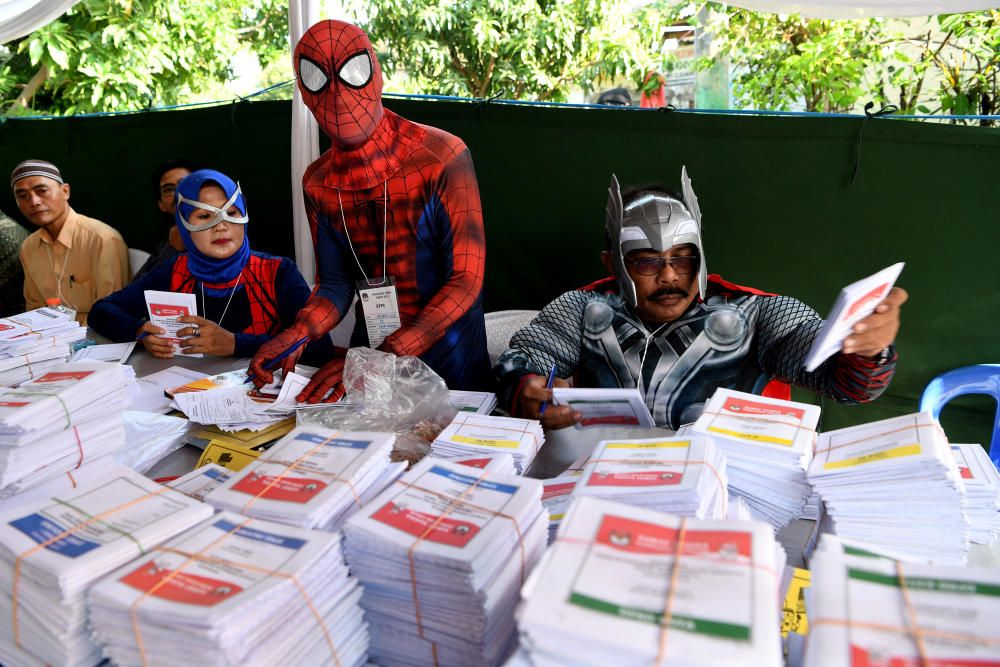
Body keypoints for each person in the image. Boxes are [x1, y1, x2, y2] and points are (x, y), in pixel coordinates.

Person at [495, 170, 908, 430]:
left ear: (702, 257)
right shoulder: (582, 308)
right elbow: (526, 360)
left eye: (682, 258)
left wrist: (867, 349)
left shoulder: (758, 313)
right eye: (646, 261)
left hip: (726, 491)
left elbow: (845, 382)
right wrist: (527, 389)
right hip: (601, 480)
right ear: (614, 262)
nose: (670, 274)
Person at [248, 19, 491, 401]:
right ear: (303, 91)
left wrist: (386, 354)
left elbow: (465, 280)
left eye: (353, 71)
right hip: (371, 366)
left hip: (451, 366)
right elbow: (335, 284)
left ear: (376, 73)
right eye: (317, 78)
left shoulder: (441, 156)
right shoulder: (318, 181)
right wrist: (299, 331)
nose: (338, 94)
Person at [88, 169, 334, 363]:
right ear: (184, 226)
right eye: (205, 216)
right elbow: (101, 311)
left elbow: (319, 346)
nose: (221, 225)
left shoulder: (278, 272)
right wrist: (140, 331)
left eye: (232, 212)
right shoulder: (174, 271)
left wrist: (235, 344)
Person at [12, 159, 129, 324]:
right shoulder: (29, 247)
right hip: (50, 339)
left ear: (65, 191)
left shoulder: (102, 239)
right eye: (22, 196)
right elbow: (34, 310)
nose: (34, 202)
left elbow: (112, 315)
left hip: (100, 339)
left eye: (42, 191)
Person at [133, 158, 196, 280]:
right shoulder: (166, 245)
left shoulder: (228, 232)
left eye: (185, 184)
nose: (178, 193)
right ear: (161, 205)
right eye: (168, 190)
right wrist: (173, 250)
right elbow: (135, 294)